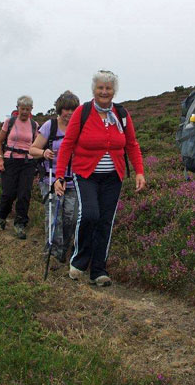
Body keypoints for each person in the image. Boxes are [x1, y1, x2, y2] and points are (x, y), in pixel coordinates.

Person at [54, 70, 146, 287]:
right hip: (85, 174)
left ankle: (98, 270)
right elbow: (67, 144)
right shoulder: (82, 112)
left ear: (114, 91)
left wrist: (139, 171)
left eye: (108, 88)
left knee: (105, 221)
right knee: (89, 215)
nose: (104, 91)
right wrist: (59, 175)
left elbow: (132, 144)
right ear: (94, 90)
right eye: (100, 88)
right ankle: (79, 261)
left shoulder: (121, 114)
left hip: (113, 176)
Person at [30, 91, 80, 266]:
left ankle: (63, 249)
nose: (69, 113)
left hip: (74, 181)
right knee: (54, 217)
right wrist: (44, 152)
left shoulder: (80, 126)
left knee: (71, 218)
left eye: (73, 109)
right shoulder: (49, 126)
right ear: (60, 109)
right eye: (66, 109)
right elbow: (32, 149)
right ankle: (52, 253)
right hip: (51, 179)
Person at [0, 95, 39, 239]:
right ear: (17, 108)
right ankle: (2, 215)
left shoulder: (34, 125)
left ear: (31, 109)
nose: (25, 112)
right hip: (10, 161)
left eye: (28, 109)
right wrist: (0, 160)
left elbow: (37, 145)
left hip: (28, 163)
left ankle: (20, 224)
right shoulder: (9, 122)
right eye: (22, 109)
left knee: (24, 194)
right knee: (8, 193)